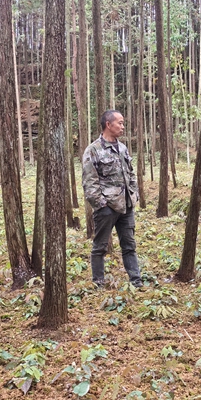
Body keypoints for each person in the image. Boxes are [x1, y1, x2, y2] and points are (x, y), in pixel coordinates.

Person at [82, 110, 143, 288]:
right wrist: (102, 205)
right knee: (100, 246)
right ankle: (98, 283)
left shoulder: (123, 148)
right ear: (108, 125)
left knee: (129, 245)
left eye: (123, 123)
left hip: (126, 206)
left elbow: (130, 174)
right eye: (120, 123)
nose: (123, 127)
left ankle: (136, 281)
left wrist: (134, 194)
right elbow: (89, 181)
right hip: (107, 208)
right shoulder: (93, 150)